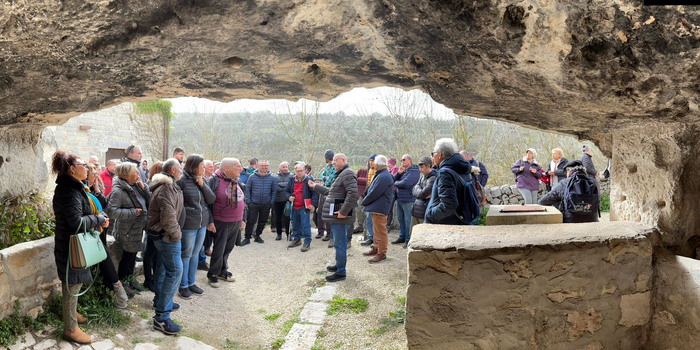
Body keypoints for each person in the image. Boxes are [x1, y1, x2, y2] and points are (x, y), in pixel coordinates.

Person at [51, 151, 111, 344]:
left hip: (73, 244)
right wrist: (99, 219)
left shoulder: (75, 187)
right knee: (72, 285)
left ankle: (70, 313)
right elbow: (76, 221)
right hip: (71, 247)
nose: (87, 168)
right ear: (71, 169)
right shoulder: (69, 190)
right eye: (83, 164)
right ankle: (70, 329)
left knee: (73, 284)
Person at [147, 159, 185, 335]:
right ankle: (161, 318)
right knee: (175, 272)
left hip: (165, 236)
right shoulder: (166, 189)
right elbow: (169, 217)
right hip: (168, 237)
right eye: (179, 168)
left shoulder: (168, 186)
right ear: (172, 170)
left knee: (163, 270)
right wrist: (177, 236)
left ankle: (162, 302)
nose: (182, 170)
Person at [309, 153, 359, 282]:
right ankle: (338, 265)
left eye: (336, 160)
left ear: (343, 160)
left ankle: (341, 272)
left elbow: (353, 194)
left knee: (340, 244)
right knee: (338, 243)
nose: (334, 163)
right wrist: (315, 186)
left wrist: (343, 212)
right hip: (337, 216)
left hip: (341, 216)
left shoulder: (347, 173)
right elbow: (330, 192)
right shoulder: (341, 174)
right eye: (334, 161)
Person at [106, 162, 150, 297]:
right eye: (134, 173)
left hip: (137, 228)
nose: (138, 175)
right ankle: (123, 283)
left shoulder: (135, 186)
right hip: (127, 230)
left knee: (132, 256)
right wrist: (132, 212)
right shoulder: (118, 191)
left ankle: (131, 280)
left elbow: (149, 201)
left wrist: (144, 188)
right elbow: (111, 211)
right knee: (127, 258)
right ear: (126, 175)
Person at [176, 155, 216, 299]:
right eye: (202, 166)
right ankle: (183, 285)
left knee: (195, 254)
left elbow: (211, 200)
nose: (204, 168)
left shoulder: (203, 180)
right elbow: (177, 204)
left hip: (202, 224)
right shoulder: (181, 181)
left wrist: (202, 185)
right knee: (186, 255)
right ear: (194, 166)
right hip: (188, 225)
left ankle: (192, 282)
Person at [207, 158, 247, 287]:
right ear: (227, 168)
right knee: (219, 249)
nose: (240, 169)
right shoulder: (214, 180)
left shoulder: (236, 181)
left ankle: (222, 271)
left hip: (235, 220)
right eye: (237, 166)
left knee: (228, 247)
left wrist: (243, 219)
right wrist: (210, 221)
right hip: (221, 221)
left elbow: (243, 201)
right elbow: (206, 204)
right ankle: (213, 274)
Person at [425, 138, 474, 225]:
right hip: (461, 220)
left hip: (446, 224)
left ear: (439, 155)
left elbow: (449, 205)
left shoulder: (445, 173)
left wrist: (430, 214)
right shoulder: (463, 169)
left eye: (433, 154)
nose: (431, 157)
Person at [361, 155, 394, 263]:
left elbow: (375, 192)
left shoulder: (384, 176)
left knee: (381, 231)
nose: (373, 164)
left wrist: (364, 201)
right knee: (376, 230)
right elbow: (371, 189)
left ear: (378, 164)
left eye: (374, 162)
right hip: (377, 207)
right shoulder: (381, 174)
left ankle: (382, 253)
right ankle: (376, 248)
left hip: (381, 207)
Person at [286, 163, 318, 251]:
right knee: (295, 224)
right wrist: (289, 197)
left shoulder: (309, 179)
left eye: (301, 171)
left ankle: (307, 242)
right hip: (294, 206)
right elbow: (286, 191)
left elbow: (314, 193)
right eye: (297, 171)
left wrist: (313, 204)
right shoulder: (292, 180)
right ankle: (297, 239)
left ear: (305, 171)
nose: (299, 173)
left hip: (304, 206)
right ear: (295, 171)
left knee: (305, 225)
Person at [242, 160, 276, 245]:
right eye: (262, 165)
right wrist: (249, 201)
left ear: (268, 167)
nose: (264, 167)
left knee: (262, 221)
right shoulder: (252, 177)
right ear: (258, 166)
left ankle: (257, 236)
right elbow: (247, 190)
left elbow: (274, 191)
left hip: (266, 204)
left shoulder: (272, 178)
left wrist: (271, 202)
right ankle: (247, 238)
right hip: (253, 204)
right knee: (250, 221)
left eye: (266, 166)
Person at [142, 161, 163, 292]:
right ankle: (148, 279)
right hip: (152, 224)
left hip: (157, 224)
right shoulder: (150, 185)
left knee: (155, 253)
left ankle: (154, 278)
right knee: (149, 252)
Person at [392, 154, 419, 245]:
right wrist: (398, 173)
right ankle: (402, 236)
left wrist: (396, 183)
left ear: (409, 160)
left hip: (409, 199)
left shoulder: (414, 171)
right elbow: (392, 180)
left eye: (404, 160)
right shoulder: (404, 171)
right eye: (401, 160)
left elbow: (405, 184)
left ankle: (408, 239)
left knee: (408, 221)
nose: (402, 161)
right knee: (401, 219)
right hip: (400, 198)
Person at [411, 156, 436, 246]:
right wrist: (420, 193)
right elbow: (414, 189)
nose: (420, 169)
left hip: (424, 212)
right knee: (414, 236)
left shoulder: (433, 178)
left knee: (423, 238)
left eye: (422, 167)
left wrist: (419, 193)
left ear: (428, 166)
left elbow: (422, 193)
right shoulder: (422, 177)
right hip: (416, 210)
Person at [316, 149, 336, 243]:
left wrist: (325, 179)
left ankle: (329, 233)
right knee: (320, 211)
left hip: (331, 191)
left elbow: (330, 180)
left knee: (329, 213)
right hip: (323, 190)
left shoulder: (334, 167)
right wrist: (324, 178)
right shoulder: (327, 166)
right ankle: (321, 231)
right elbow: (321, 176)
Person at [273, 162, 293, 240]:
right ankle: (279, 234)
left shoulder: (291, 176)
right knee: (277, 217)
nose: (285, 168)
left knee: (287, 218)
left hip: (287, 200)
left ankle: (288, 234)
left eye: (286, 167)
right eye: (283, 167)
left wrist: (281, 185)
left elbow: (290, 187)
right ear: (279, 168)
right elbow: (275, 187)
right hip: (277, 200)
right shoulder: (275, 176)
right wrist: (285, 186)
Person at [360, 154, 377, 246]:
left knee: (375, 220)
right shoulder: (370, 170)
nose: (371, 162)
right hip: (369, 196)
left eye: (373, 160)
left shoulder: (378, 171)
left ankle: (375, 239)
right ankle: (371, 238)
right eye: (370, 160)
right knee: (368, 218)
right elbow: (368, 184)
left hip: (375, 199)